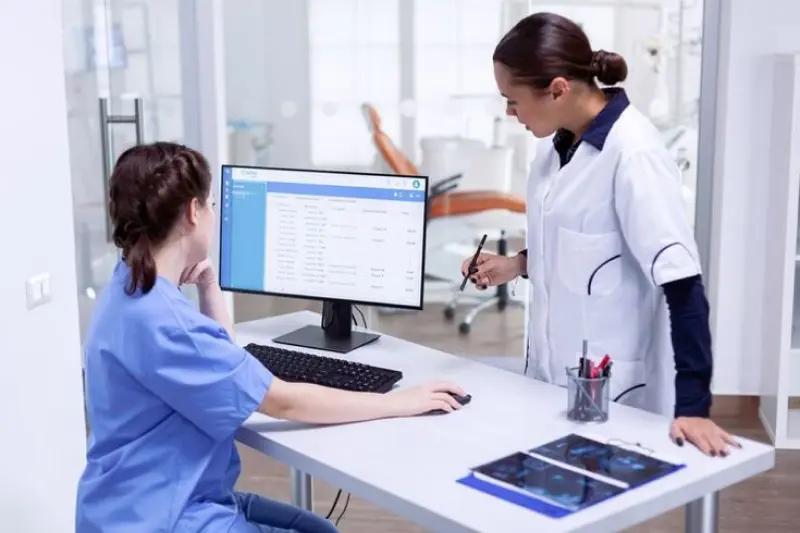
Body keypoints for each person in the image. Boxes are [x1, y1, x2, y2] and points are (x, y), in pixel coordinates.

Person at [76, 142, 466, 533]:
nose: (214, 213)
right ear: (194, 212)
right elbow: (284, 403)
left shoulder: (126, 288)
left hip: (124, 506)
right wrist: (403, 401)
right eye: (211, 205)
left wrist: (209, 287)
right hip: (168, 517)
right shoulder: (170, 324)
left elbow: (220, 360)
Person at [461, 12, 738, 457]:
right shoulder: (553, 149)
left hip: (613, 392)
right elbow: (586, 245)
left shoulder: (634, 155)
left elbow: (683, 286)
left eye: (512, 100)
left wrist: (694, 406)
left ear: (558, 89)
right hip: (547, 381)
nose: (509, 113)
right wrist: (514, 265)